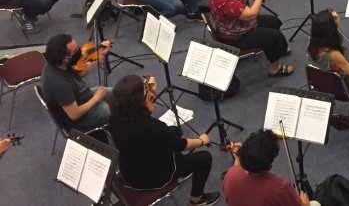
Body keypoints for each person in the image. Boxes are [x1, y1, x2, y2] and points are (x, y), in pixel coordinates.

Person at [109, 75, 220, 206]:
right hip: (152, 178)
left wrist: (149, 89)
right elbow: (181, 145)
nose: (152, 97)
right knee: (204, 158)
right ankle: (197, 200)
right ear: (140, 103)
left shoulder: (114, 119)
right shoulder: (153, 127)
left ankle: (182, 169)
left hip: (129, 171)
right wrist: (202, 141)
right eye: (149, 96)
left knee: (173, 130)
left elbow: (156, 132)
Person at [210, 0, 292, 77]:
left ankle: (276, 49)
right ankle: (275, 69)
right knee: (275, 37)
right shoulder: (225, 3)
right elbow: (252, 14)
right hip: (235, 37)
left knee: (274, 21)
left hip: (239, 24)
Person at [223, 129, 316, 206]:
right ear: (269, 167)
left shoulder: (230, 175)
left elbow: (237, 167)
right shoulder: (281, 188)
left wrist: (241, 155)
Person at [40, 33, 113, 129]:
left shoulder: (58, 63)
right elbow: (74, 115)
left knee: (114, 92)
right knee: (109, 111)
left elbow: (80, 73)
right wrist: (95, 99)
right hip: (78, 119)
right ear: (65, 59)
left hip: (80, 96)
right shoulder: (59, 84)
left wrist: (100, 54)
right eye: (76, 51)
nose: (81, 52)